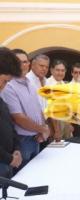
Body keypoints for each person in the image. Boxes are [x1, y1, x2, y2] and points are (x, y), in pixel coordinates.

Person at [1, 49, 50, 168]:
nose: (24, 65)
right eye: (20, 62)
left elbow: (38, 109)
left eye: (26, 61)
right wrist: (42, 130)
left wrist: (42, 129)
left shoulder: (30, 82)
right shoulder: (9, 85)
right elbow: (18, 118)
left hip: (34, 138)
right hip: (22, 140)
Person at [0, 47, 23, 178]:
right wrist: (9, 158)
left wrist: (17, 149)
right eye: (5, 81)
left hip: (8, 162)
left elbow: (10, 126)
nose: (4, 86)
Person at [46, 59, 73, 141]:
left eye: (62, 70)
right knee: (56, 150)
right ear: (51, 70)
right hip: (54, 124)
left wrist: (70, 124)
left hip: (65, 122)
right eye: (57, 70)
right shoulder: (47, 85)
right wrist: (57, 130)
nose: (60, 73)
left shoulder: (64, 85)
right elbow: (50, 110)